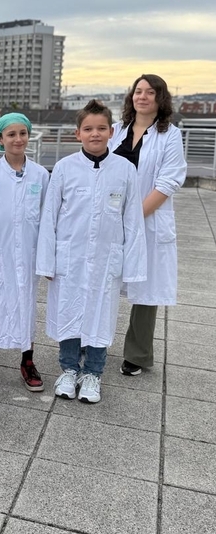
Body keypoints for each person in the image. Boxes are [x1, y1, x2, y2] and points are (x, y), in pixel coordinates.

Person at [36, 100, 147, 404]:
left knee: (100, 316)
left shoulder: (124, 169)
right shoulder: (64, 168)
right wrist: (47, 260)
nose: (95, 134)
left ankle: (93, 373)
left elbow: (133, 220)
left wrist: (133, 267)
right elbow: (50, 218)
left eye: (101, 128)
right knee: (69, 313)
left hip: (105, 260)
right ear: (78, 134)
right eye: (88, 129)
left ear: (111, 131)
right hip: (69, 258)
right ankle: (69, 369)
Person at [109, 75, 186, 376]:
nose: (142, 97)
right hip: (111, 218)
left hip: (147, 220)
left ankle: (137, 354)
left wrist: (134, 219)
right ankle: (92, 344)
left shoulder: (170, 135)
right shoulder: (116, 130)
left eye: (149, 92)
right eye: (138, 91)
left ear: (160, 98)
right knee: (104, 282)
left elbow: (169, 181)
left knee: (146, 289)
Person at [0, 113, 50, 390]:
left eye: (23, 133)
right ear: (0, 139)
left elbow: (44, 216)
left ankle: (27, 360)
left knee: (27, 304)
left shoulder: (40, 175)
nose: (18, 139)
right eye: (11, 134)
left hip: (27, 254)